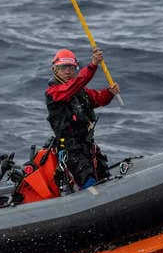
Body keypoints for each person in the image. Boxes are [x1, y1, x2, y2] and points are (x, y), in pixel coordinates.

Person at [45, 48, 120, 190]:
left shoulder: (80, 91)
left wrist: (110, 92)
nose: (68, 71)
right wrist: (92, 65)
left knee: (104, 176)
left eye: (71, 68)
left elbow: (98, 98)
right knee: (88, 181)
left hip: (88, 146)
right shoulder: (54, 92)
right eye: (63, 68)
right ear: (55, 69)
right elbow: (74, 85)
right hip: (71, 150)